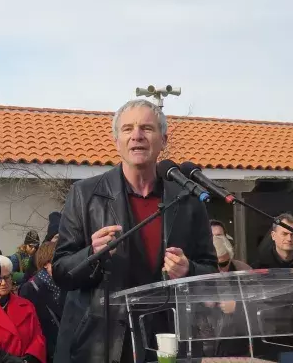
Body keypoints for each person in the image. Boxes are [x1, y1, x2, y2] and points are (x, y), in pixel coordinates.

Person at [52, 99, 218, 363]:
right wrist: (91, 254)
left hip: (167, 342)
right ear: (116, 140)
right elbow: (62, 272)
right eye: (128, 129)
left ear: (163, 139)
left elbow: (211, 276)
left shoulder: (187, 200)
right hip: (100, 345)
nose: (137, 136)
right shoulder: (85, 194)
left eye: (147, 128)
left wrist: (189, 270)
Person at [20, 242, 66, 362]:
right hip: (46, 352)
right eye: (58, 262)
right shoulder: (29, 289)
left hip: (66, 348)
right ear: (46, 264)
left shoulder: (65, 284)